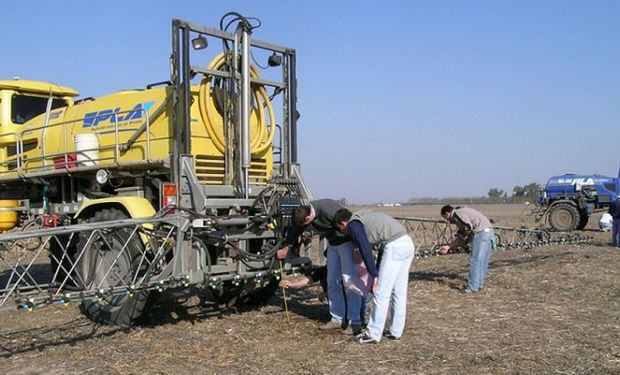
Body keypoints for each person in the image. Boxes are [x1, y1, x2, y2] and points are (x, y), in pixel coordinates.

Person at [276, 199, 364, 334]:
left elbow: (351, 225)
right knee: (332, 281)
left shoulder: (328, 209)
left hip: (347, 243)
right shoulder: (302, 215)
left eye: (305, 224)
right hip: (333, 244)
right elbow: (295, 230)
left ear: (308, 217)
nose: (305, 227)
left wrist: (357, 248)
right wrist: (287, 247)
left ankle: (355, 321)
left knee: (349, 281)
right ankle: (337, 319)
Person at [333, 208, 416, 344]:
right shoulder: (365, 216)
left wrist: (374, 274)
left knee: (381, 292)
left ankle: (373, 333)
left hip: (394, 246)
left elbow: (365, 248)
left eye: (340, 228)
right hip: (407, 243)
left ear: (343, 223)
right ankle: (396, 331)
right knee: (399, 291)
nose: (343, 232)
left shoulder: (354, 223)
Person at [438, 205, 494, 294]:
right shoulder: (464, 210)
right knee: (482, 260)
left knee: (475, 260)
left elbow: (467, 228)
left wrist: (461, 236)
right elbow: (466, 232)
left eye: (445, 217)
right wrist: (450, 246)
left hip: (480, 232)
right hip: (489, 230)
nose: (447, 220)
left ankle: (472, 288)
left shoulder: (456, 214)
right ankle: (479, 285)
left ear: (448, 213)